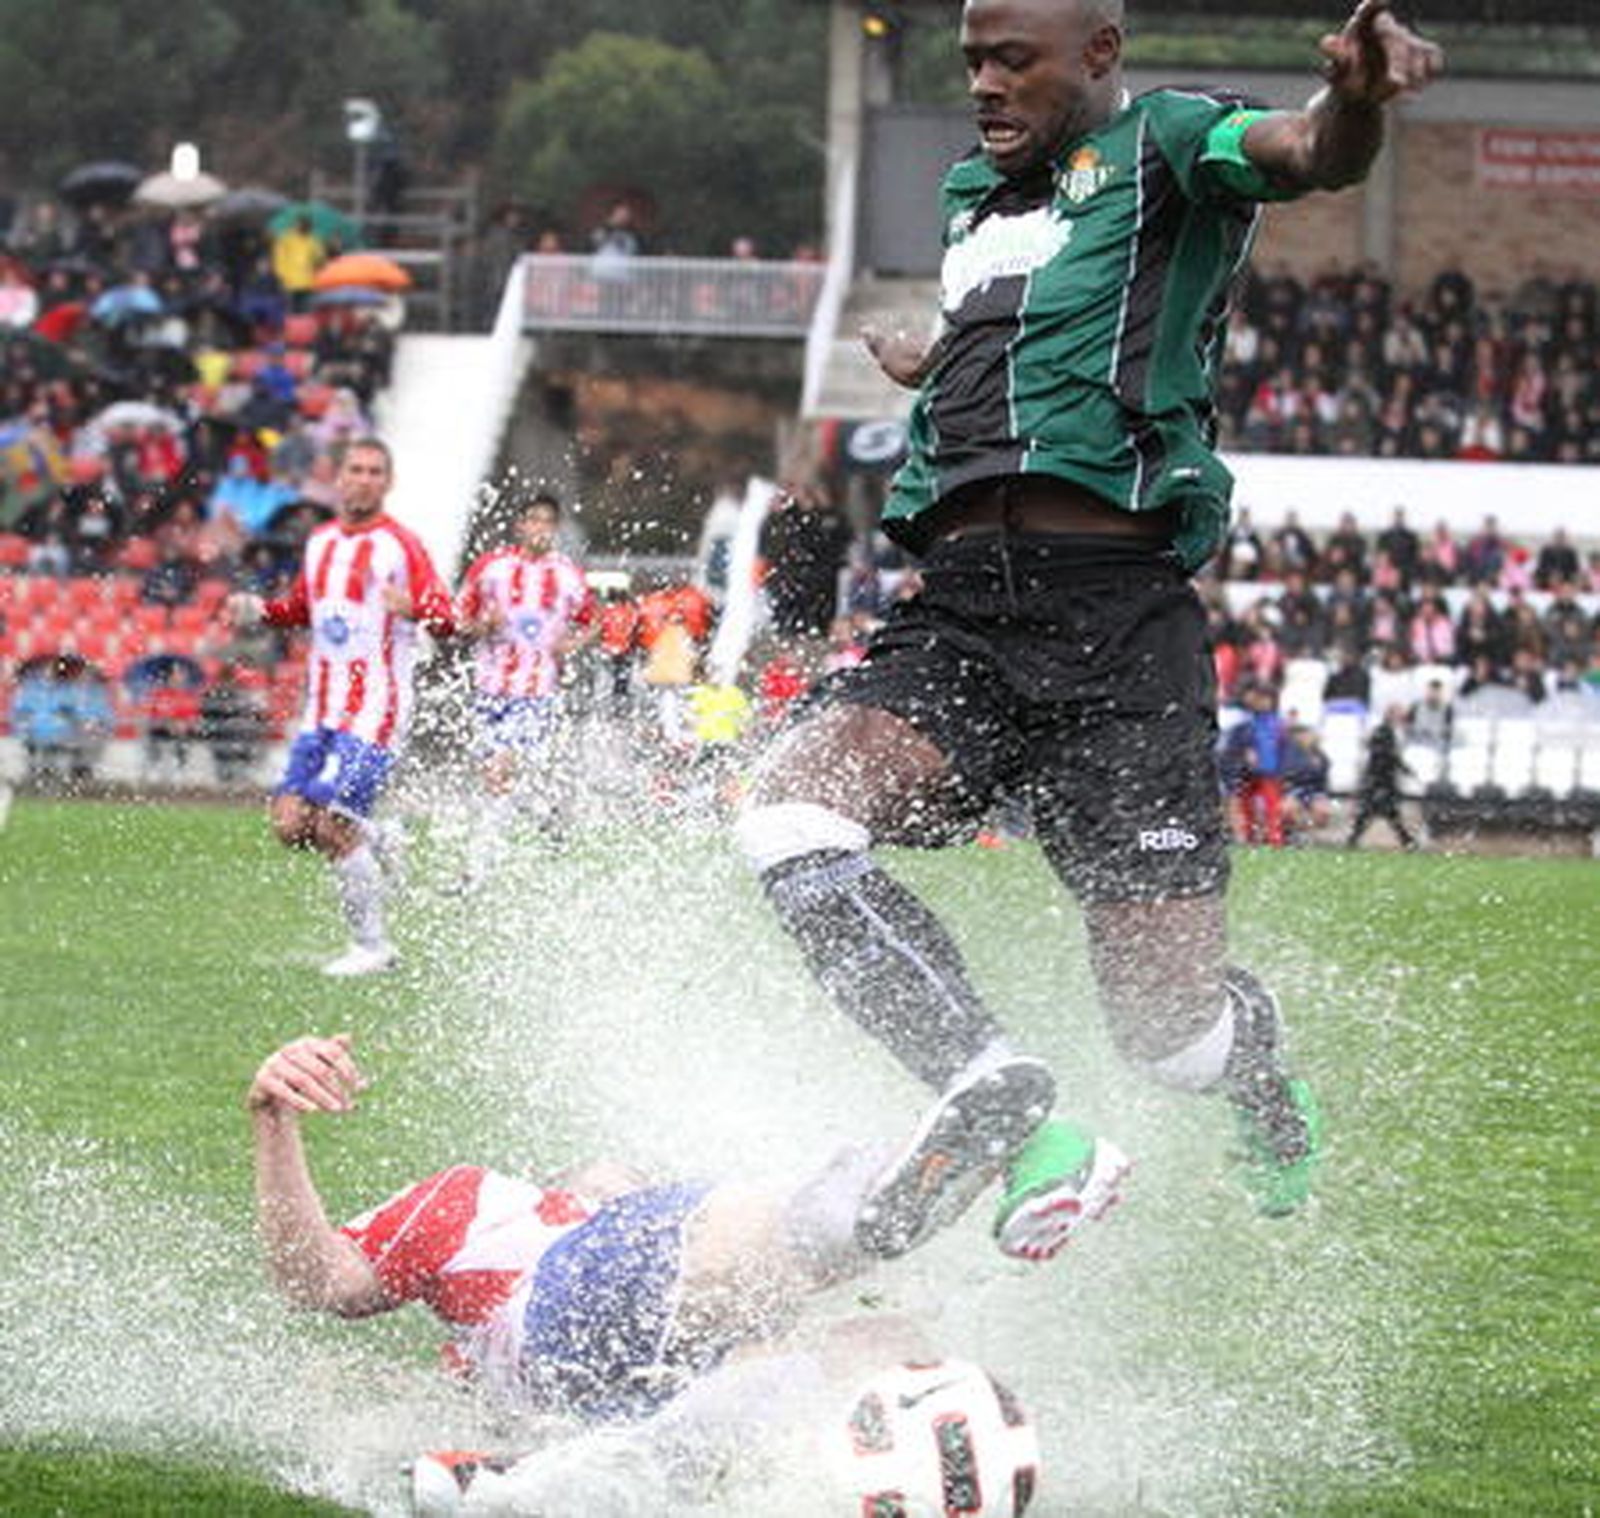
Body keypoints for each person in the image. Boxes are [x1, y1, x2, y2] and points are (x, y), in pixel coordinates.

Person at [734, 0, 1440, 1249]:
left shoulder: (1174, 143)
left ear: (1099, 56)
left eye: (1015, 61)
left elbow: (1309, 154)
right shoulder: (971, 196)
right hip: (959, 612)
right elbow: (1020, 330)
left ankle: (1256, 1065)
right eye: (971, 64)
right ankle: (985, 1082)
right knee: (789, 809)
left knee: (1171, 1040)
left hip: (1119, 630)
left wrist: (1360, 103)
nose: (985, 87)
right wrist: (937, 367)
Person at [247, 1029, 1041, 1461]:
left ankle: (614, 1475)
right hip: (562, 1317)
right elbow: (319, 1282)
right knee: (705, 1237)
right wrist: (273, 1122)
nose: (616, 1177)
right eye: (608, 1181)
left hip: (658, 1386)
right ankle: (871, 1206)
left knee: (887, 1347)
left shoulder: (677, 1257)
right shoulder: (485, 1205)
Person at [227, 437, 456, 975]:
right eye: (356, 469)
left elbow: (448, 618)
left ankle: (373, 947)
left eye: (376, 471)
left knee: (333, 828)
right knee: (288, 825)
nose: (364, 479)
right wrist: (259, 610)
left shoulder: (403, 545)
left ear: (388, 482)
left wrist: (415, 607)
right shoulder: (321, 541)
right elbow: (303, 608)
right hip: (321, 713)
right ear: (339, 477)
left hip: (376, 711)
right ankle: (382, 837)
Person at [454, 489, 594, 887]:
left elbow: (591, 621)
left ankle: (474, 871)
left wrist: (571, 644)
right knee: (496, 780)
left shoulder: (568, 574)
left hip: (536, 692)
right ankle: (546, 814)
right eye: (533, 520)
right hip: (489, 689)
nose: (540, 529)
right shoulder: (491, 567)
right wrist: (484, 626)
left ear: (555, 529)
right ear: (520, 525)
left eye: (548, 522)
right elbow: (459, 618)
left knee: (500, 774)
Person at [1346, 704, 1418, 849]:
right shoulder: (1382, 731)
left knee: (1377, 812)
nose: (1401, 717)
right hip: (1379, 778)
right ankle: (1407, 841)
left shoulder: (1390, 731)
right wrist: (1404, 768)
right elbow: (1386, 754)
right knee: (1382, 812)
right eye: (1398, 713)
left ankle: (1353, 840)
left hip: (1383, 779)